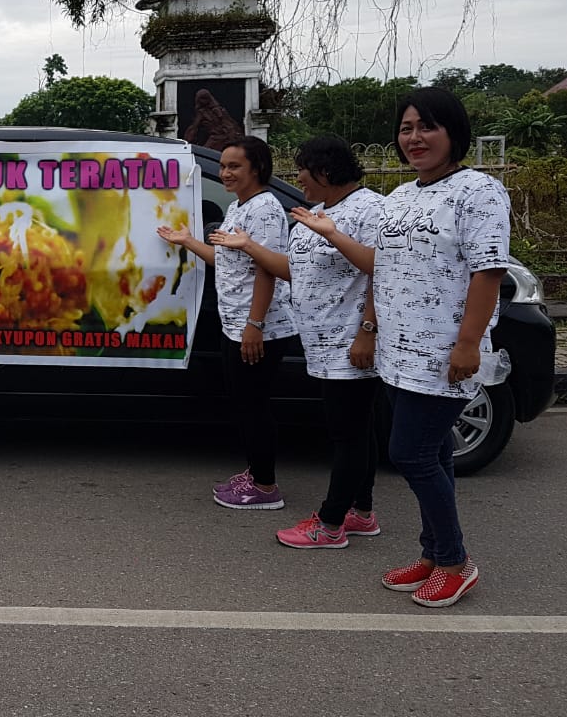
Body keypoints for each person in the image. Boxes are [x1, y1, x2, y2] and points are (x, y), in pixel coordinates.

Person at [293, 88, 509, 607]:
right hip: (399, 352)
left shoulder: (478, 191)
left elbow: (488, 270)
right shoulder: (402, 198)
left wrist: (468, 344)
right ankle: (433, 554)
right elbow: (379, 266)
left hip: (445, 354)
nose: (415, 138)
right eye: (407, 128)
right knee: (434, 454)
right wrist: (332, 236)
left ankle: (456, 561)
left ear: (453, 131)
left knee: (408, 453)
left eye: (427, 127)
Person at [210, 136, 384, 548]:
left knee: (349, 434)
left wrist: (367, 331)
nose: (298, 177)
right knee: (355, 429)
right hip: (323, 343)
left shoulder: (370, 209)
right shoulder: (320, 211)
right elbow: (292, 270)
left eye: (303, 169)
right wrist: (248, 245)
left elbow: (385, 270)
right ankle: (362, 512)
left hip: (351, 340)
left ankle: (330, 523)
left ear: (325, 171)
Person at [157, 135, 298, 510]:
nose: (225, 173)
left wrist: (255, 324)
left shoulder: (265, 209)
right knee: (243, 402)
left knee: (254, 405)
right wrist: (187, 240)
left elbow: (267, 269)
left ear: (258, 168)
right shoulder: (240, 207)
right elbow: (227, 261)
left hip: (257, 327)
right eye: (222, 166)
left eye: (234, 166)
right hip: (235, 324)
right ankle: (255, 473)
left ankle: (265, 487)